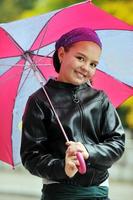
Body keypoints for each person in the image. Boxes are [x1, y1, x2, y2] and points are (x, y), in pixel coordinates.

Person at [20, 27, 125, 200]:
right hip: (60, 193)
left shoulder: (100, 99)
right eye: (80, 58)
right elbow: (31, 156)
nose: (86, 67)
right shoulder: (39, 101)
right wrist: (62, 167)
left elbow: (117, 143)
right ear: (61, 54)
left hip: (98, 191)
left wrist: (88, 151)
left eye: (93, 64)